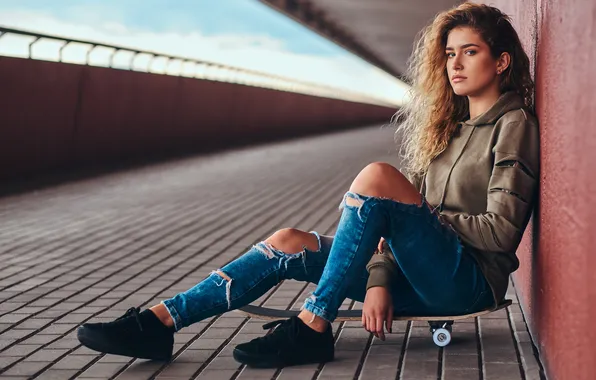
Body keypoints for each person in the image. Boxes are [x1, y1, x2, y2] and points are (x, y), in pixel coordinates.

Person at [76, 2, 540, 369]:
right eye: (449, 53)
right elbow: (394, 222)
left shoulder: (513, 124)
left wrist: (420, 217)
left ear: (501, 61)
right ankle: (159, 323)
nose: (455, 64)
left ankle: (314, 324)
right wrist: (380, 277)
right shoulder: (450, 131)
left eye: (470, 52)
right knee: (287, 242)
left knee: (378, 177)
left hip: (467, 283)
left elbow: (498, 233)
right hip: (422, 275)